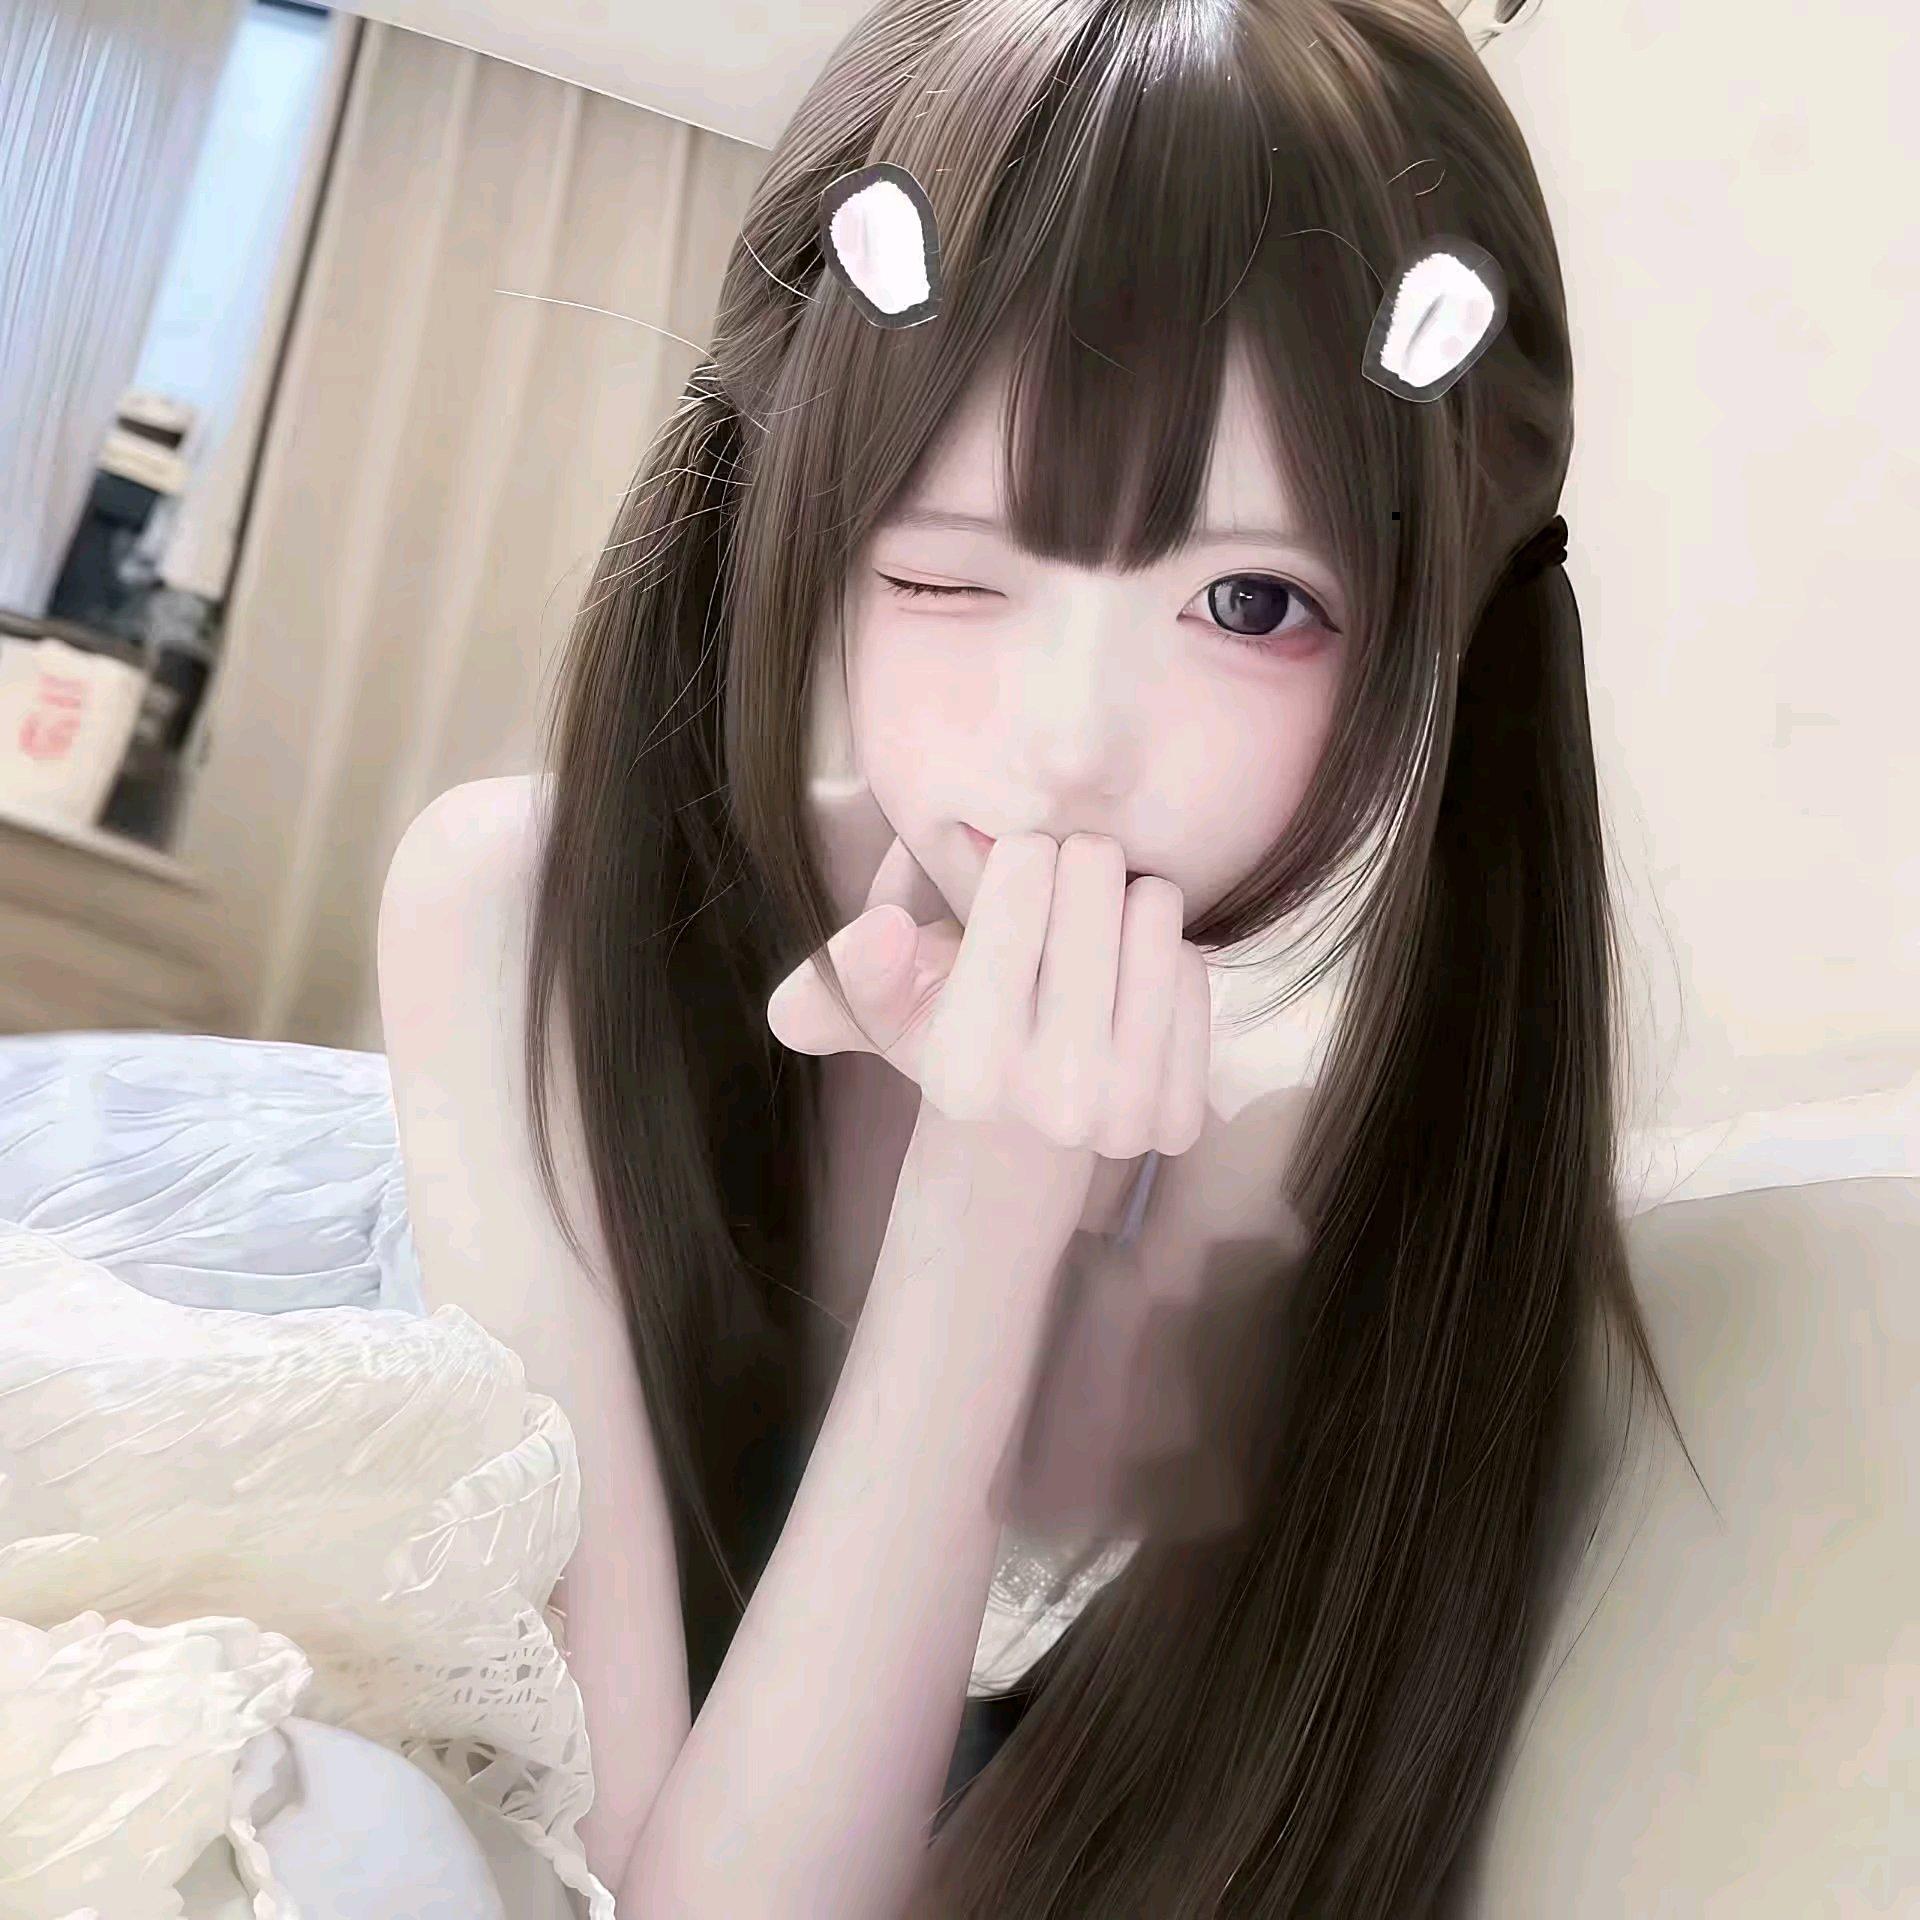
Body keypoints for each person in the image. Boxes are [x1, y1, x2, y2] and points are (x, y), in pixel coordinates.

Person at [405, 0, 1708, 1913]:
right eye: (950, 569)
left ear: (1423, 628)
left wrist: (991, 1207)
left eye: (1249, 600)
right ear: (801, 535)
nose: (1075, 741)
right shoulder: (520, 900)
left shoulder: (1309, 1176)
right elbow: (577, 1852)